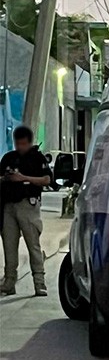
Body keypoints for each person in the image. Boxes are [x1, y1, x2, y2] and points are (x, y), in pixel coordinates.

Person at [1, 126, 52, 296]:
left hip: (28, 205)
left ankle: (39, 282)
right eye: (17, 143)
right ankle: (9, 281)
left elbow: (46, 180)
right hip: (9, 206)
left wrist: (23, 178)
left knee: (33, 245)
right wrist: (7, 177)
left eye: (23, 143)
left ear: (29, 142)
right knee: (9, 245)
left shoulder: (37, 158)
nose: (20, 147)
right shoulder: (9, 158)